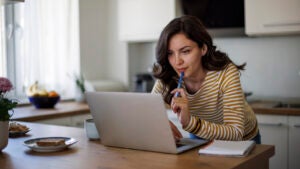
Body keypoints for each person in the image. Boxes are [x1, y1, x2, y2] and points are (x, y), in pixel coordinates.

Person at [151, 15, 261, 144]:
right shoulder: (169, 75)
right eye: (170, 53)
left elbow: (235, 131)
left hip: (242, 139)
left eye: (185, 51)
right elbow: (148, 111)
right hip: (200, 134)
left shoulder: (225, 72)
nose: (177, 62)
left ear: (203, 48)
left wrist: (189, 123)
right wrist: (159, 122)